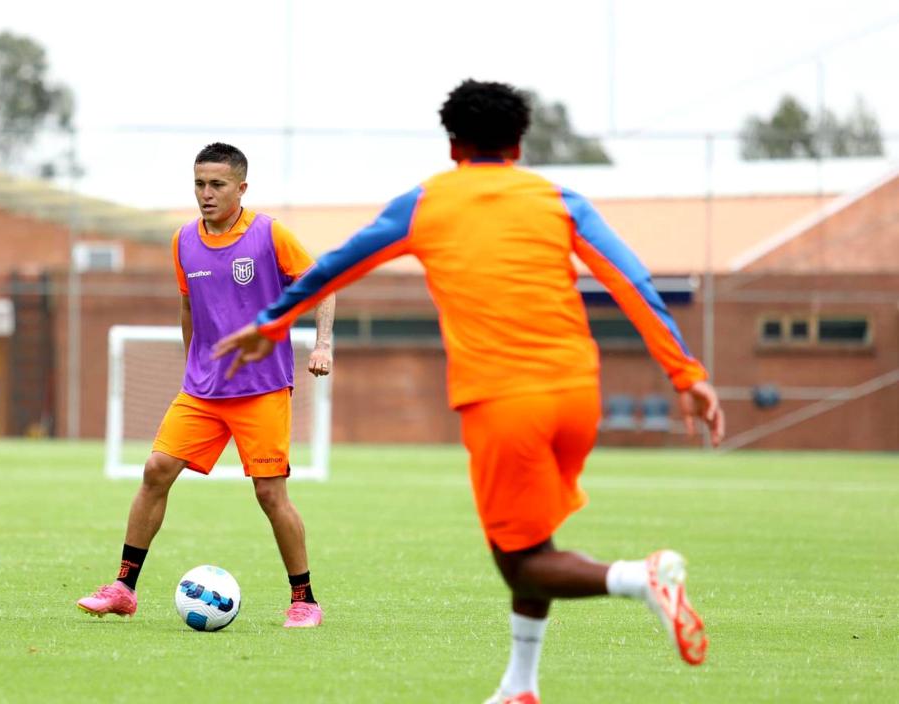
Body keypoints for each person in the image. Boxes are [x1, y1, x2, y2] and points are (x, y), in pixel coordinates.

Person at [213, 81, 725, 701]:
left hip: (505, 402)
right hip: (576, 395)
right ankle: (521, 685)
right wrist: (687, 374)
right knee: (534, 540)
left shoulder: (428, 202)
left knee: (522, 560)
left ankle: (644, 579)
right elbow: (633, 281)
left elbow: (335, 266)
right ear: (518, 143)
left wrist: (270, 325)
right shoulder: (559, 199)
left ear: (453, 142)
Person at [77, 142, 335, 629]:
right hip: (202, 389)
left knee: (269, 494)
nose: (206, 194)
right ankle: (123, 588)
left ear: (242, 187)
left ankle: (305, 599)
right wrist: (193, 362)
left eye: (217, 184)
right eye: (199, 184)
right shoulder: (183, 241)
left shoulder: (268, 234)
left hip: (260, 389)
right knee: (156, 469)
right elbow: (188, 307)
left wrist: (322, 345)